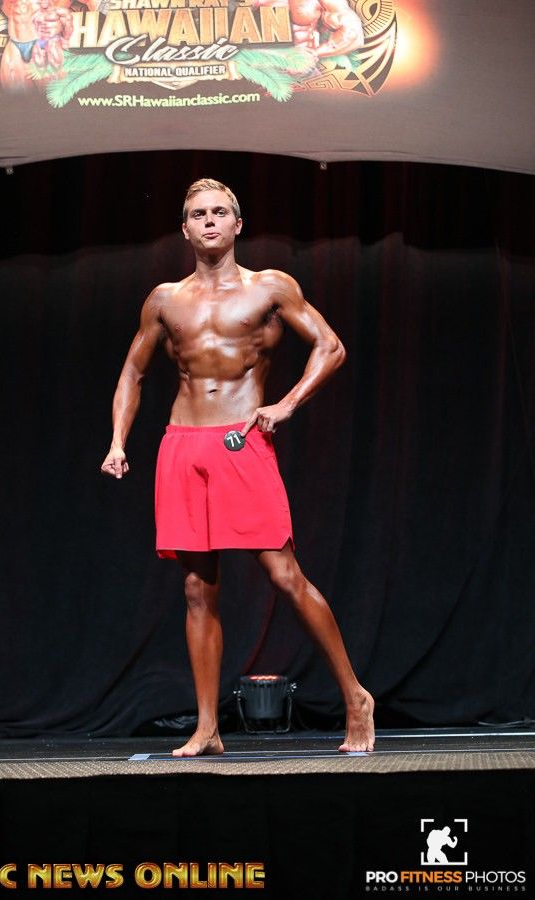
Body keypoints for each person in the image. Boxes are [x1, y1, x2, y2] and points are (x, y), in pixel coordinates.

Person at [101, 178, 375, 756]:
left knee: (284, 574)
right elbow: (133, 371)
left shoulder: (270, 287)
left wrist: (287, 404)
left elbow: (331, 347)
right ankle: (208, 728)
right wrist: (119, 440)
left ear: (237, 224)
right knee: (197, 589)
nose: (209, 221)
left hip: (239, 442)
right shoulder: (164, 299)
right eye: (198, 214)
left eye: (219, 212)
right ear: (184, 229)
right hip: (182, 445)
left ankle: (355, 697)